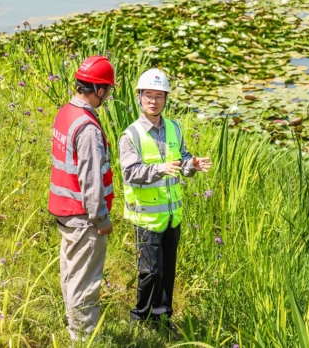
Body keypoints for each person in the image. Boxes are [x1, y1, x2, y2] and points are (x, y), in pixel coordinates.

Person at [118, 68, 213, 329]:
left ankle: (162, 317)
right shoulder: (131, 135)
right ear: (138, 97)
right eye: (148, 95)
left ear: (166, 99)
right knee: (150, 272)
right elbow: (130, 173)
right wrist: (160, 169)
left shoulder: (174, 128)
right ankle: (140, 318)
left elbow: (182, 161)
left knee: (167, 270)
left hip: (172, 215)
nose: (153, 101)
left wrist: (192, 164)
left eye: (159, 96)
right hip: (146, 216)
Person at [48, 55, 116, 341]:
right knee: (85, 280)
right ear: (99, 91)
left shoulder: (66, 112)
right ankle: (84, 337)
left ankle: (73, 327)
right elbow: (91, 180)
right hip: (83, 216)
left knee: (71, 271)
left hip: (65, 210)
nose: (108, 96)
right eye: (108, 91)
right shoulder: (87, 128)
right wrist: (101, 218)